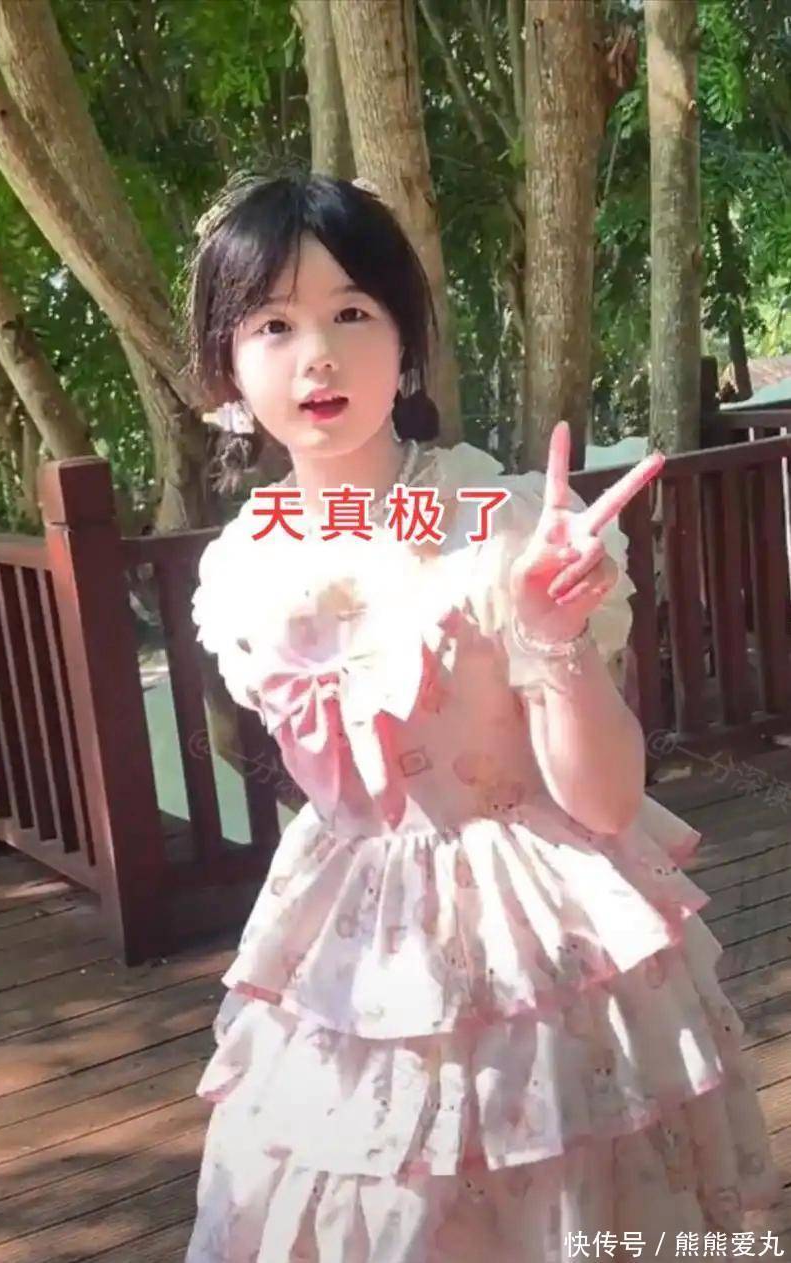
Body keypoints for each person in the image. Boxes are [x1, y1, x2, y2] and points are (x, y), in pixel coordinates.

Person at [182, 169, 781, 1261]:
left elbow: (607, 804)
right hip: (349, 952)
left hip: (545, 942)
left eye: (351, 313)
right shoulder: (241, 566)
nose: (318, 355)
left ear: (405, 342)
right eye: (273, 324)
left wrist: (550, 636)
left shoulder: (500, 519)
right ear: (226, 365)